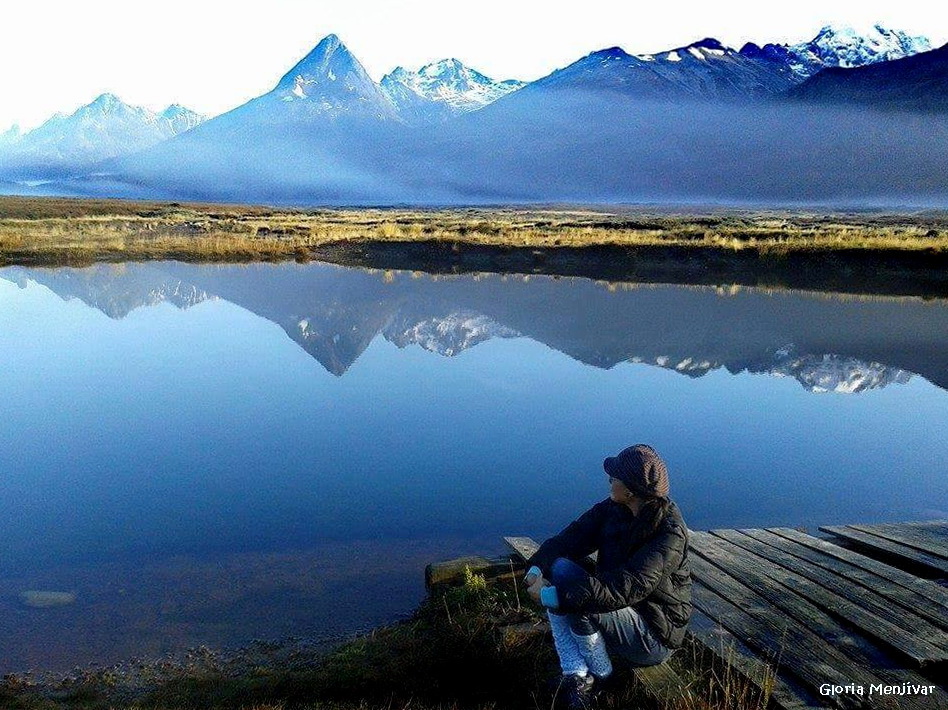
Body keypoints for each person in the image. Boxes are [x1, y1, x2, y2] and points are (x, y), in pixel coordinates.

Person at [523, 444, 692, 709]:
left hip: (652, 635)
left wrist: (548, 595)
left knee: (578, 598)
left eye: (614, 478)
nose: (609, 481)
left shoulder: (668, 534)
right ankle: (575, 674)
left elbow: (626, 588)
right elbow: (572, 537)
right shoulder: (614, 509)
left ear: (630, 490)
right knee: (561, 569)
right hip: (620, 609)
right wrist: (536, 569)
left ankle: (602, 676)